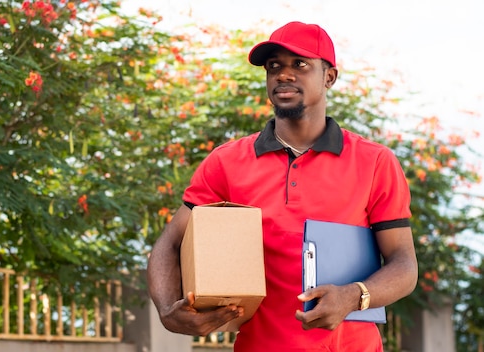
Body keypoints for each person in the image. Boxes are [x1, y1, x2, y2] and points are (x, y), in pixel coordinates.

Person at [146, 21, 418, 351]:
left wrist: (352, 296)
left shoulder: (375, 162)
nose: (284, 75)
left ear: (329, 77)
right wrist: (166, 310)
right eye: (274, 66)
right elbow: (171, 242)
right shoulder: (226, 163)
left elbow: (404, 264)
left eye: (300, 65)